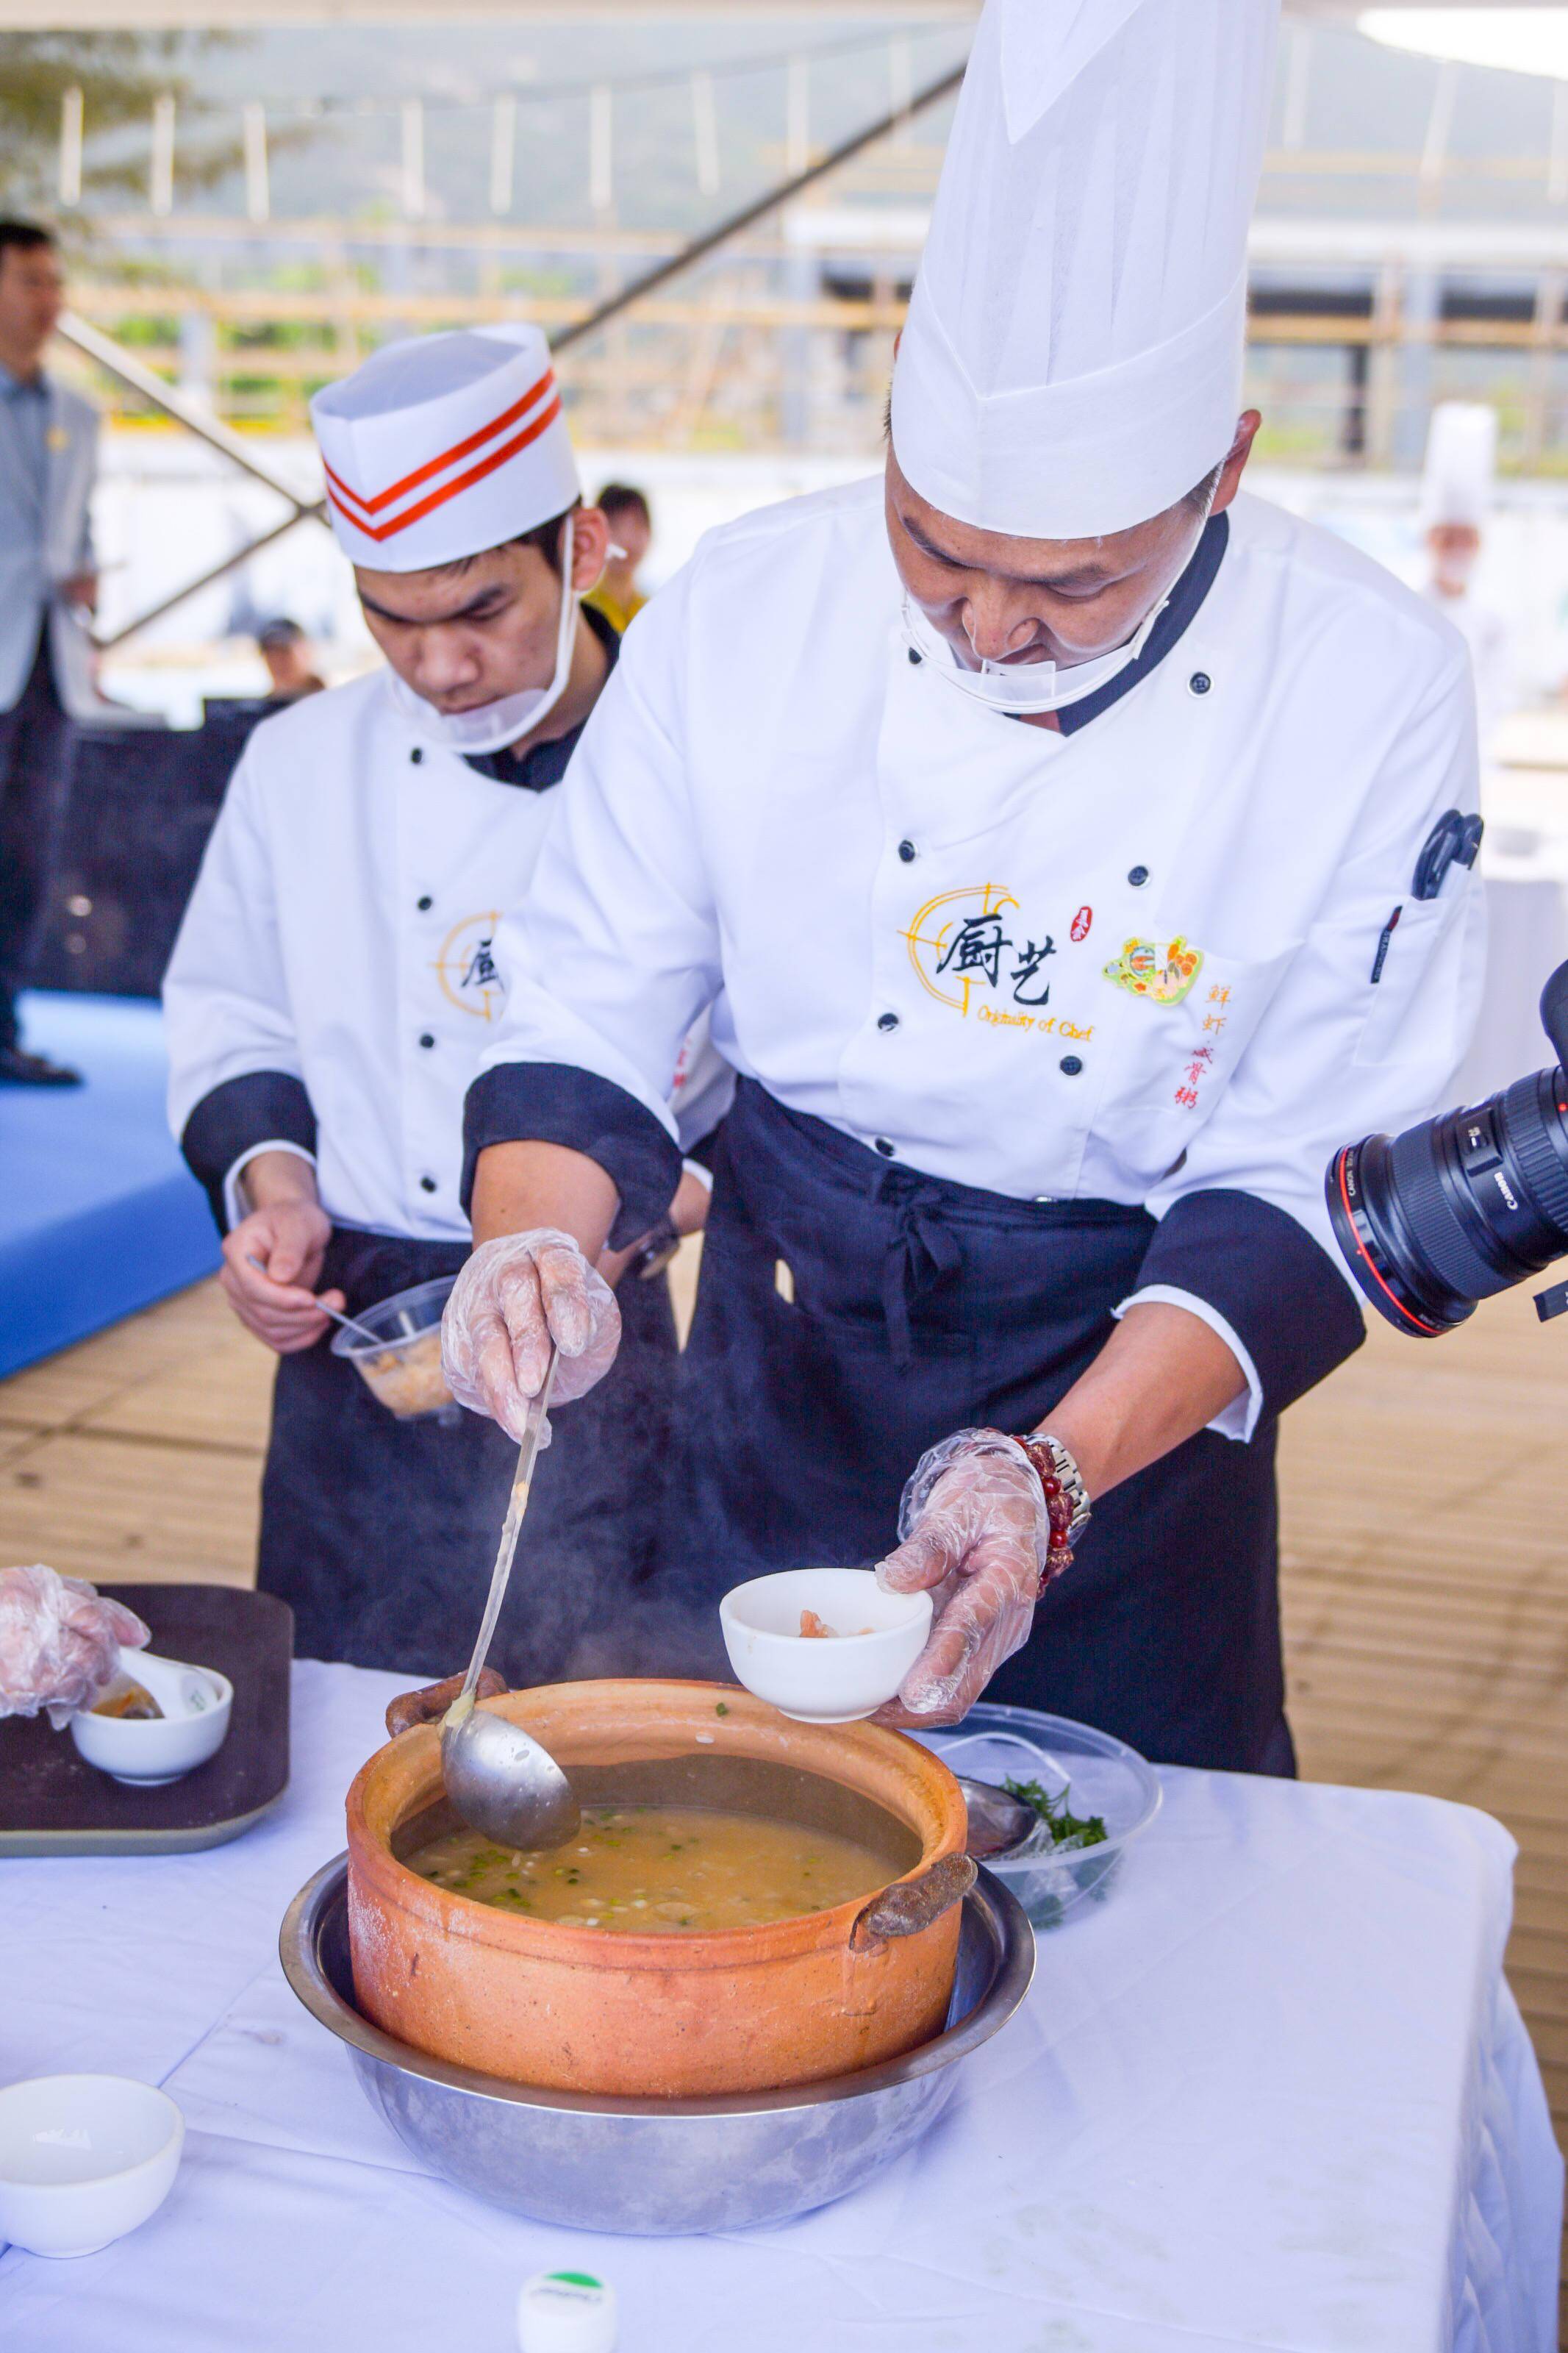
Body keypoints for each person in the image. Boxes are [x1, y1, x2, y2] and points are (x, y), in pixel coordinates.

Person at [440, 0, 1484, 1774]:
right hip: (780, 1341)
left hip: (1126, 1378)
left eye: (1070, 583)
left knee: (1126, 1878)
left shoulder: (1366, 685)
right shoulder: (743, 612)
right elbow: (587, 1005)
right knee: (725, 1829)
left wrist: (1046, 1475)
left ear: (1220, 471)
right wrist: (532, 1236)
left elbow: (1306, 1178)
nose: (986, 622)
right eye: (928, 544)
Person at [163, 324, 723, 1681]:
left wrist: (651, 1208)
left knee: (606, 1712)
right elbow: (233, 1011)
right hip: (358, 1334)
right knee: (339, 1715)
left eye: (481, 612)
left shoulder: (699, 763)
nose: (438, 666)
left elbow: (781, 1071)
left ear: (583, 550)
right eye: (390, 620)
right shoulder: (299, 765)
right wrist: (274, 1197)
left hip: (596, 1311)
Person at [0, 218, 99, 1088]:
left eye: (53, 281)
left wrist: (85, 579)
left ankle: (5, 1024)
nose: (48, 299)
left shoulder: (79, 411)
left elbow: (78, 528)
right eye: (30, 280)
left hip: (48, 662)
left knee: (28, 851)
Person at [1420, 402, 1512, 763]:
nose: (1457, 549)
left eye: (1466, 538)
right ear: (1431, 540)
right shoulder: (1408, 605)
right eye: (1449, 538)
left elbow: (1499, 689)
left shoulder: (1494, 615)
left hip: (1476, 753)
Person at [584, 482, 651, 634]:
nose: (627, 539)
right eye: (615, 526)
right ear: (596, 534)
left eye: (636, 525)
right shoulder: (583, 614)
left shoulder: (656, 609)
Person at [255, 617, 326, 704]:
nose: (277, 661)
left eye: (284, 651)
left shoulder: (329, 705)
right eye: (269, 653)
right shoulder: (262, 710)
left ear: (307, 652)